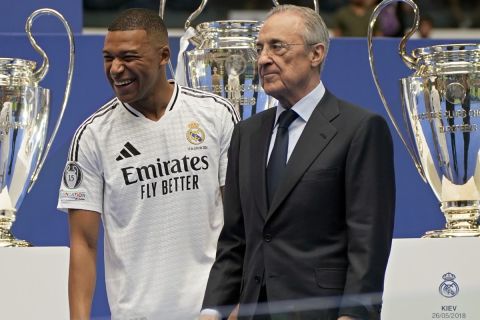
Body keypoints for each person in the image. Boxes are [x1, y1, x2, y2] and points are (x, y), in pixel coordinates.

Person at [200, 4, 395, 320]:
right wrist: (212, 310)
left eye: (277, 47)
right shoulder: (246, 134)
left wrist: (355, 314)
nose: (263, 59)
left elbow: (367, 239)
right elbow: (235, 238)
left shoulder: (359, 128)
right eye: (260, 48)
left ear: (316, 54)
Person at [57, 8, 239, 319]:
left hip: (211, 312)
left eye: (128, 57)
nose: (116, 69)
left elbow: (239, 222)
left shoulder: (217, 114)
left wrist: (235, 306)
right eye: (108, 58)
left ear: (164, 55)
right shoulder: (92, 136)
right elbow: (84, 244)